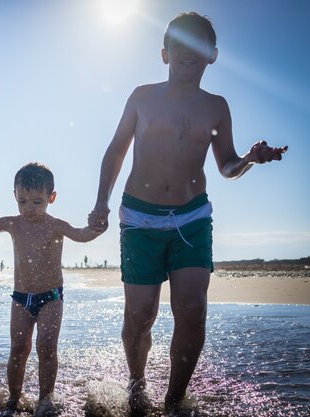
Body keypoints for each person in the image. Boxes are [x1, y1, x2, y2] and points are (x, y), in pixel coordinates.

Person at [87, 12, 287, 415]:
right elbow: (115, 150)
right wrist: (101, 203)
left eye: (198, 46)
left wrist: (248, 158)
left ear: (212, 55)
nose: (187, 53)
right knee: (140, 316)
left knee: (192, 310)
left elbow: (226, 166)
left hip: (193, 218)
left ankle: (175, 401)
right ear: (164, 53)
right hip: (139, 218)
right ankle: (137, 384)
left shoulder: (216, 107)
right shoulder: (142, 97)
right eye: (179, 45)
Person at [0, 162, 104, 417]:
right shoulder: (13, 224)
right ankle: (13, 399)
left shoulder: (56, 225)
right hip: (21, 298)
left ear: (51, 198)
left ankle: (45, 399)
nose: (28, 208)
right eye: (23, 201)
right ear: (14, 196)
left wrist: (96, 228)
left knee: (47, 347)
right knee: (18, 348)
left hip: (51, 297)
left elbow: (81, 235)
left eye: (36, 202)